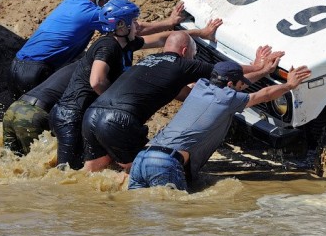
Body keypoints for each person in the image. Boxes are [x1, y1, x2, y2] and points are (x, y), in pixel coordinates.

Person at [81, 31, 282, 173]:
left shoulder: (147, 62)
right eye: (193, 55)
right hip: (119, 120)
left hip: (92, 113)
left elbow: (189, 95)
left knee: (93, 173)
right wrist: (259, 68)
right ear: (185, 51)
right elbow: (224, 71)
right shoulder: (182, 64)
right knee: (140, 171)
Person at [128, 61, 311, 191]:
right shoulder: (228, 99)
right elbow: (264, 95)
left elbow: (237, 86)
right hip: (165, 163)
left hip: (142, 157)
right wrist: (289, 85)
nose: (243, 87)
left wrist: (263, 71)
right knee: (174, 218)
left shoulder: (201, 86)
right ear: (230, 84)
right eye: (241, 84)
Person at [8, 0, 186, 97]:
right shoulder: (93, 14)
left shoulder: (72, 0)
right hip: (36, 70)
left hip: (17, 64)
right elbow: (133, 29)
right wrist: (169, 23)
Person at [48, 0, 143, 169]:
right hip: (70, 116)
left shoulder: (121, 43)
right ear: (121, 25)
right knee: (66, 176)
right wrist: (114, 104)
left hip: (76, 115)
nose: (138, 25)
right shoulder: (108, 45)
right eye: (134, 21)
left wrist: (195, 33)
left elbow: (157, 39)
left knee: (84, 170)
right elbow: (97, 81)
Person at [2, 61, 77, 156]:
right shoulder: (88, 71)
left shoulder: (73, 66)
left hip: (14, 108)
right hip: (31, 115)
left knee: (8, 160)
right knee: (35, 164)